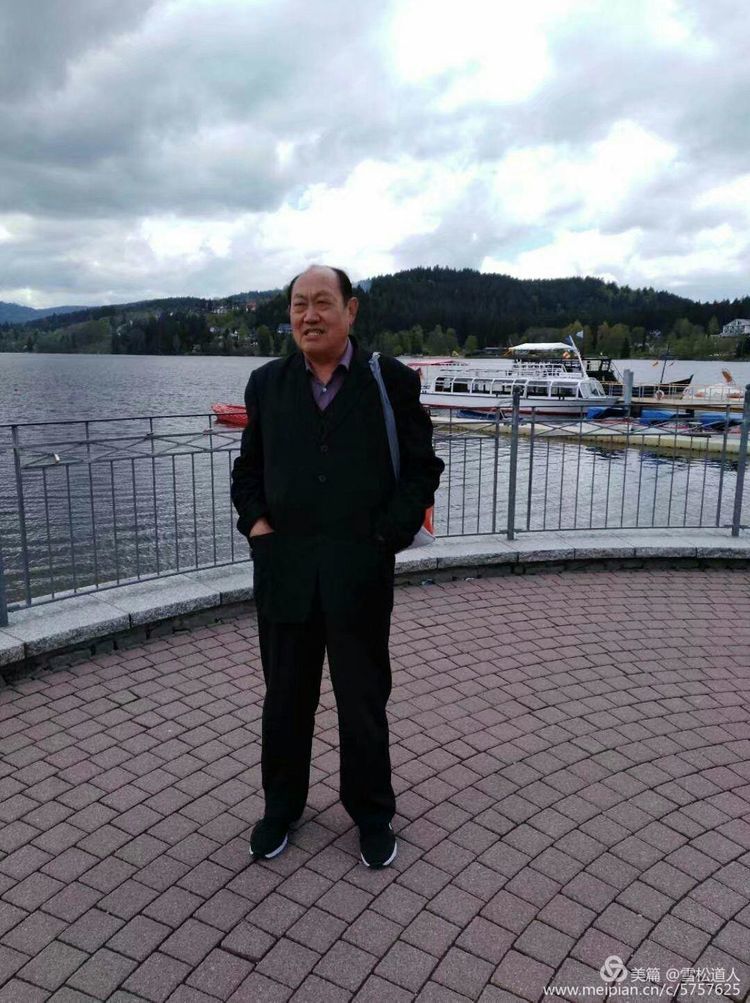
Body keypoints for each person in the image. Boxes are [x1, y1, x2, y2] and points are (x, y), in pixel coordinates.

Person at [231, 265, 444, 868]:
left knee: (363, 700)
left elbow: (422, 468)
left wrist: (385, 537)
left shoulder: (390, 380)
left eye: (322, 303)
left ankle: (372, 814)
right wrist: (259, 528)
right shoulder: (266, 384)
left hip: (360, 572)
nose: (309, 316)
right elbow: (248, 472)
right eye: (299, 304)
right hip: (286, 572)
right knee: (284, 700)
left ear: (351, 311)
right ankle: (281, 807)